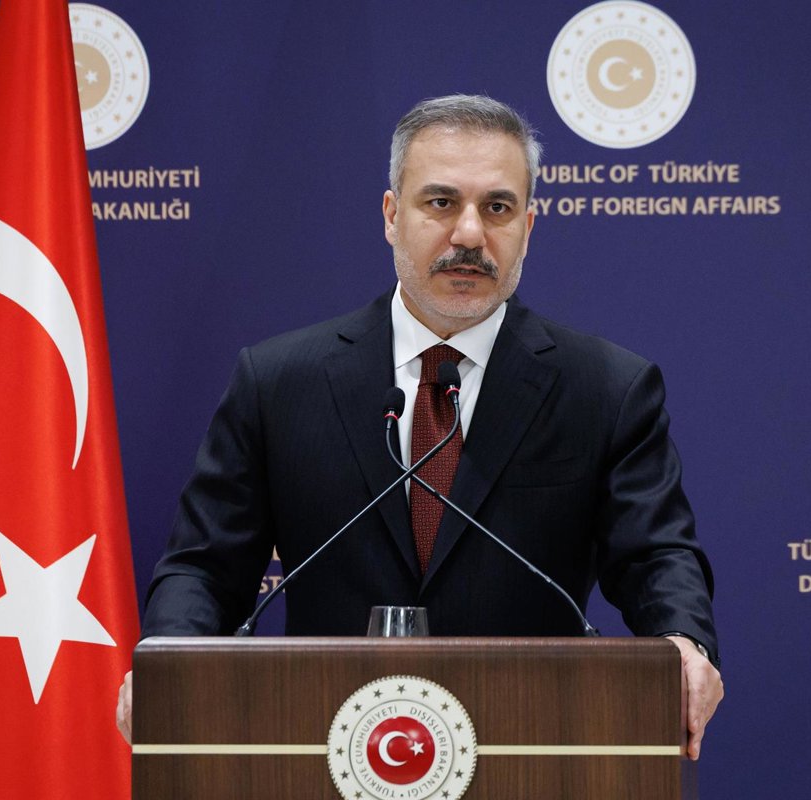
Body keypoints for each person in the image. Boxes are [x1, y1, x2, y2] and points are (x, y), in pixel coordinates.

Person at [117, 94, 723, 759]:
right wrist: (169, 658)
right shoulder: (280, 382)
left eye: (498, 208)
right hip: (323, 746)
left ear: (528, 226)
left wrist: (684, 644)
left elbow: (656, 556)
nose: (469, 234)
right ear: (390, 215)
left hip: (528, 746)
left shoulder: (605, 389)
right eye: (441, 202)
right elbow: (205, 569)